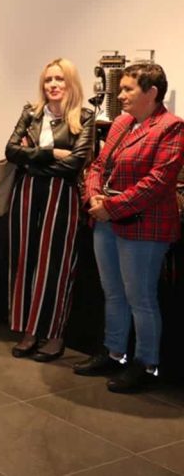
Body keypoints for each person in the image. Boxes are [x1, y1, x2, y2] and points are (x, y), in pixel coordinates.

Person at [76, 63, 184, 393]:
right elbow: (97, 165)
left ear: (152, 92)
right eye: (120, 88)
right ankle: (114, 353)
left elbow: (156, 182)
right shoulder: (122, 123)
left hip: (144, 227)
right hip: (106, 221)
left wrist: (111, 207)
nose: (120, 95)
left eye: (127, 89)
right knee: (113, 292)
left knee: (141, 298)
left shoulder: (171, 127)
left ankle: (146, 364)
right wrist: (94, 196)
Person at [5, 59, 94, 361]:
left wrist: (33, 162)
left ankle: (54, 336)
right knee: (24, 261)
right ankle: (28, 331)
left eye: (60, 79)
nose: (53, 85)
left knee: (55, 266)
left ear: (71, 83)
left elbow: (75, 163)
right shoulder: (31, 112)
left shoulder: (84, 116)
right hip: (26, 194)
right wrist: (51, 153)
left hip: (61, 197)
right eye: (48, 80)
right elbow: (11, 151)